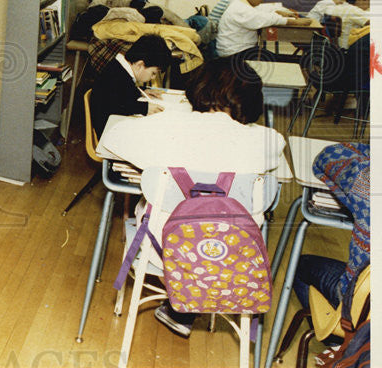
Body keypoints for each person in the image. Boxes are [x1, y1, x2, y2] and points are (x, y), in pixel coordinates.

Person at [97, 57, 286, 337]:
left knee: (155, 207)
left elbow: (112, 137)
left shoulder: (168, 127)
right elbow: (276, 141)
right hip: (230, 255)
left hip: (165, 250)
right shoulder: (265, 141)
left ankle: (180, 303)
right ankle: (186, 306)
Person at [291, 142, 369, 322]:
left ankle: (336, 341)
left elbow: (330, 155)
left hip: (358, 308)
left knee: (299, 264)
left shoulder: (368, 183)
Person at [89, 34, 172, 137]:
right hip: (110, 135)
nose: (153, 78)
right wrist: (144, 108)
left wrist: (142, 91)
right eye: (153, 73)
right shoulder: (117, 76)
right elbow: (116, 105)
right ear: (139, 65)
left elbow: (123, 93)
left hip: (114, 127)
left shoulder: (120, 69)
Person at [215, 0, 312, 58]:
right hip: (234, 53)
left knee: (273, 57)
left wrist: (279, 12)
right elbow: (263, 18)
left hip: (239, 49)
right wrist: (295, 22)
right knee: (274, 59)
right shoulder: (240, 8)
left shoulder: (242, 3)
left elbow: (260, 10)